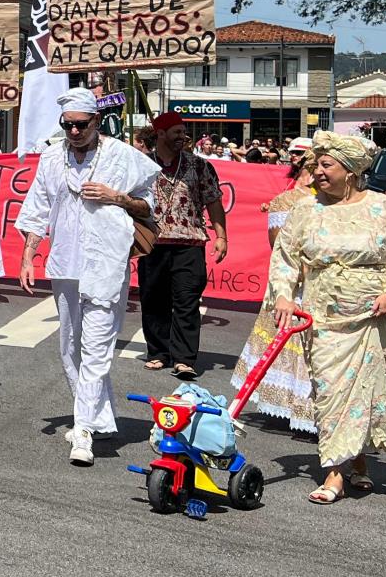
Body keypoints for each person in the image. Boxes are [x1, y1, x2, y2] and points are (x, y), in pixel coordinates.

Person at [268, 132, 386, 504]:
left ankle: (344, 469)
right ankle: (340, 466)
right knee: (330, 392)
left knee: (363, 392)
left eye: (327, 165)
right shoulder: (305, 210)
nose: (318, 172)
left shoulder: (383, 208)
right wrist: (284, 296)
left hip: (370, 318)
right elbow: (285, 258)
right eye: (317, 165)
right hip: (321, 317)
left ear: (351, 171)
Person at [16, 89, 159, 467]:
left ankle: (82, 430)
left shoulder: (122, 156)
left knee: (97, 347)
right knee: (70, 346)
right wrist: (29, 256)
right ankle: (97, 417)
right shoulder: (52, 157)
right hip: (66, 263)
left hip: (106, 262)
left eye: (81, 124)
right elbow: (38, 208)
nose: (74, 131)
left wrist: (117, 197)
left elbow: (148, 206)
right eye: (68, 125)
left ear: (97, 121)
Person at [229, 153, 319, 433]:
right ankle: (296, 406)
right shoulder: (285, 201)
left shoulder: (337, 202)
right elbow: (279, 247)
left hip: (325, 285)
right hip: (295, 281)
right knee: (290, 342)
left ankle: (315, 408)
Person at [137, 111, 228, 380]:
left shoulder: (200, 166)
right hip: (152, 243)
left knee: (187, 300)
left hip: (190, 243)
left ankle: (184, 359)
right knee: (153, 299)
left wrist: (221, 236)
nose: (183, 137)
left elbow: (213, 201)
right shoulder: (142, 164)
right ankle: (158, 352)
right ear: (160, 134)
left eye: (183, 132)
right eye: (176, 132)